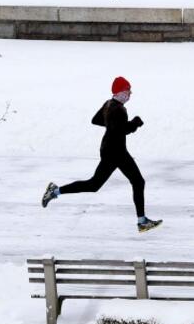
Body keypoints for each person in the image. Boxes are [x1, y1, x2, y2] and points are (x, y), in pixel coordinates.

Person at [42, 76, 162, 233]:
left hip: (111, 150)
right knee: (137, 182)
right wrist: (135, 123)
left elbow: (96, 120)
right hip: (116, 152)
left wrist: (113, 123)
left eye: (129, 92)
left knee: (94, 185)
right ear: (119, 92)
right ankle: (142, 222)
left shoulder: (109, 104)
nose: (129, 95)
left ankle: (55, 191)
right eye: (127, 91)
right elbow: (122, 130)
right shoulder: (118, 109)